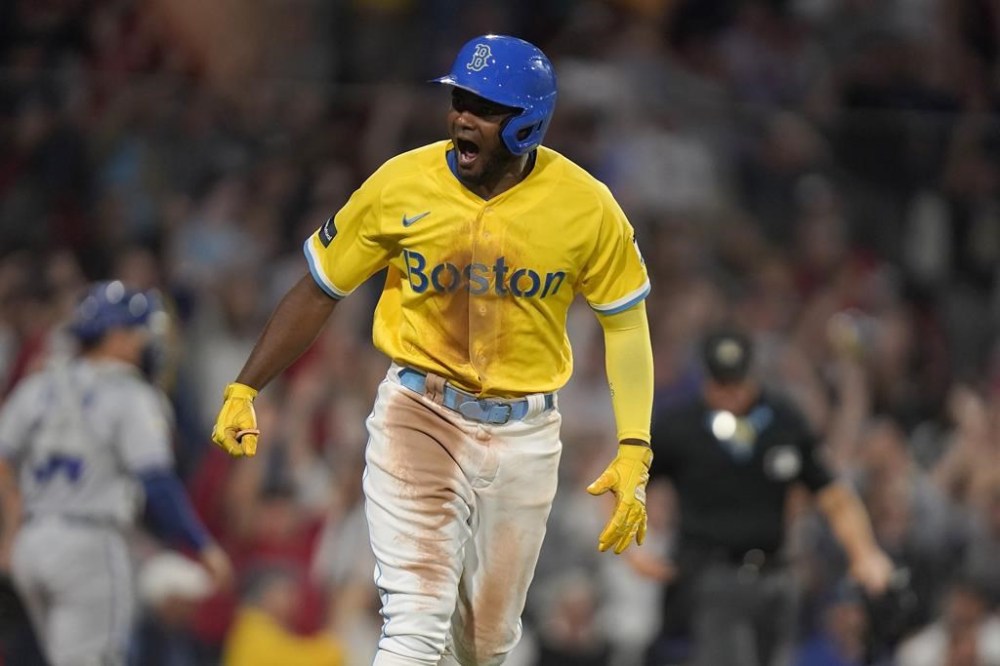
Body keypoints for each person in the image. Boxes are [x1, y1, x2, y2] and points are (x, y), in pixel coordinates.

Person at [209, 34, 655, 666]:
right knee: (415, 626)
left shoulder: (587, 207)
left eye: (484, 106)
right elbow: (321, 286)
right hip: (420, 415)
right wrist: (246, 385)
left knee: (485, 647)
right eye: (459, 100)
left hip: (525, 435)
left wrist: (635, 444)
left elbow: (626, 324)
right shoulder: (401, 183)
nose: (462, 117)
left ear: (528, 123)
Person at [0, 280, 233, 666]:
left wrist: (11, 534)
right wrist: (201, 544)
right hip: (89, 545)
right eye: (139, 333)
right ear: (116, 337)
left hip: (31, 545)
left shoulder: (38, 386)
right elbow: (156, 482)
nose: (147, 343)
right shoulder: (131, 395)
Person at [639, 327, 893, 666]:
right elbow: (627, 484)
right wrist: (633, 554)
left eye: (737, 382)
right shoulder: (681, 425)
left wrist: (864, 552)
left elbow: (831, 493)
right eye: (721, 384)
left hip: (777, 574)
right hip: (710, 574)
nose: (730, 395)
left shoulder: (783, 421)